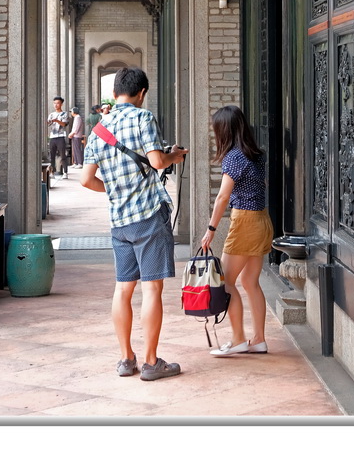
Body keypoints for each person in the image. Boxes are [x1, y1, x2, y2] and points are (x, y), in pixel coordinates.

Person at [80, 66, 188, 381]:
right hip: (148, 217)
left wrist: (113, 190)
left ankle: (127, 359)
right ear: (142, 93)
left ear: (114, 93)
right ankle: (153, 362)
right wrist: (174, 157)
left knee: (123, 289)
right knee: (152, 289)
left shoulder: (99, 129)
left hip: (119, 222)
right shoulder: (144, 118)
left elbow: (87, 180)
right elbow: (156, 161)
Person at [200, 104, 274, 357]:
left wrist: (211, 229)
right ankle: (259, 340)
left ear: (225, 130)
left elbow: (222, 197)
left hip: (245, 223)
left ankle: (239, 339)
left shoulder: (234, 157)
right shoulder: (256, 154)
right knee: (250, 281)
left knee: (225, 281)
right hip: (262, 220)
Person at [47, 96, 69, 179]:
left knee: (63, 155)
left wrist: (57, 121)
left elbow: (65, 124)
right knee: (51, 155)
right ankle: (52, 172)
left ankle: (65, 172)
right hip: (52, 136)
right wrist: (50, 121)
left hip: (61, 136)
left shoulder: (65, 114)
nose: (56, 105)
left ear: (61, 104)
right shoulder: (51, 114)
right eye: (55, 103)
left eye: (58, 103)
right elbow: (48, 124)